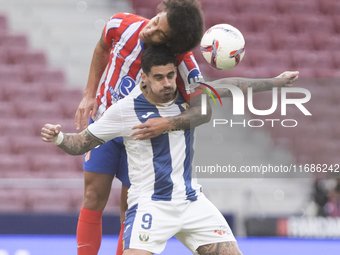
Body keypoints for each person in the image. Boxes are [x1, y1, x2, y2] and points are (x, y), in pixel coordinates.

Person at [73, 0, 299, 254]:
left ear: (172, 44)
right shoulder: (122, 24)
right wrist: (89, 92)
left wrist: (270, 83)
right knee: (92, 198)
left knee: (131, 209)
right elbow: (103, 45)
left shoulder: (182, 64)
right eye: (157, 21)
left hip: (140, 136)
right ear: (161, 11)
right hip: (105, 119)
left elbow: (208, 103)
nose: (151, 29)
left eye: (161, 34)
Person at [42, 44, 244, 255]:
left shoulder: (187, 96)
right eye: (159, 77)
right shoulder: (124, 110)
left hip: (191, 201)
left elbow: (232, 86)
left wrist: (278, 82)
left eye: (170, 75)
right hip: (150, 206)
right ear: (144, 77)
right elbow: (82, 143)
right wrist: (59, 138)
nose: (167, 83)